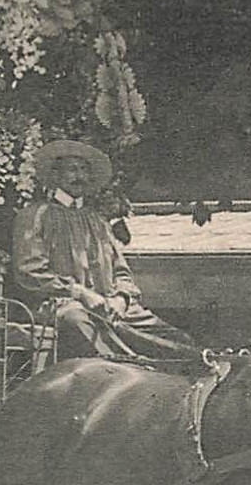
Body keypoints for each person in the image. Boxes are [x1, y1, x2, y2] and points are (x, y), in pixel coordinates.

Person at [12, 139, 194, 360]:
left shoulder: (98, 222)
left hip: (111, 306)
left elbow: (122, 272)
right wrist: (79, 292)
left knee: (174, 339)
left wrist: (121, 298)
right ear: (55, 175)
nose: (79, 176)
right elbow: (29, 271)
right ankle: (120, 369)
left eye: (84, 170)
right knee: (77, 321)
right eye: (72, 169)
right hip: (60, 304)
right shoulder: (36, 216)